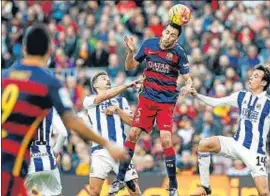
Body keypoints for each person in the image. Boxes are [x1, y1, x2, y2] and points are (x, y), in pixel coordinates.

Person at [1, 24, 128, 196]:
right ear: (49, 50)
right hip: (11, 164)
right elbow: (71, 122)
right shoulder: (46, 82)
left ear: (24, 49)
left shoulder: (4, 77)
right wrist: (107, 144)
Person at [109, 23, 193, 196]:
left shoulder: (179, 53)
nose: (168, 36)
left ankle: (173, 185)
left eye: (172, 35)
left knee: (166, 140)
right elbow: (129, 66)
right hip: (147, 99)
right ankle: (119, 179)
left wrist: (188, 86)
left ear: (176, 39)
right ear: (163, 31)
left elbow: (188, 78)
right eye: (167, 32)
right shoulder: (149, 44)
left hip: (166, 102)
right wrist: (131, 52)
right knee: (132, 134)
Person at [189, 65, 270, 196]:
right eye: (252, 74)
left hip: (255, 153)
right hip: (236, 143)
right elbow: (216, 102)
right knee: (204, 144)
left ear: (263, 83)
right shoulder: (241, 96)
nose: (251, 78)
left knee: (264, 193)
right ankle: (205, 187)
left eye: (256, 76)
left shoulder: (268, 104)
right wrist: (197, 95)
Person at [82, 71, 142, 196]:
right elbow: (105, 96)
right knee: (94, 191)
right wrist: (126, 85)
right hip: (100, 151)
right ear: (96, 85)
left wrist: (118, 110)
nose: (108, 80)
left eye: (108, 78)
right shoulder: (89, 100)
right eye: (103, 79)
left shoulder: (121, 101)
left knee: (133, 188)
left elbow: (132, 122)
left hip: (120, 149)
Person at [25, 108, 67, 196]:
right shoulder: (50, 110)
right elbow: (63, 133)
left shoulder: (23, 105)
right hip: (48, 163)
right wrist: (55, 151)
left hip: (29, 164)